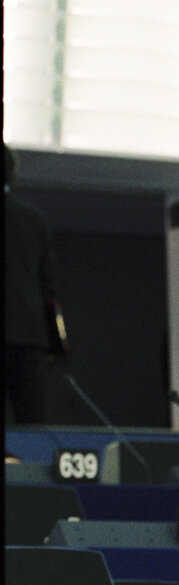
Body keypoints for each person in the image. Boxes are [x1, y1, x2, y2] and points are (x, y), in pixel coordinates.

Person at [5, 144, 68, 425]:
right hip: (29, 338)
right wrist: (58, 345)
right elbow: (49, 288)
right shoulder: (34, 219)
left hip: (26, 336)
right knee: (31, 423)